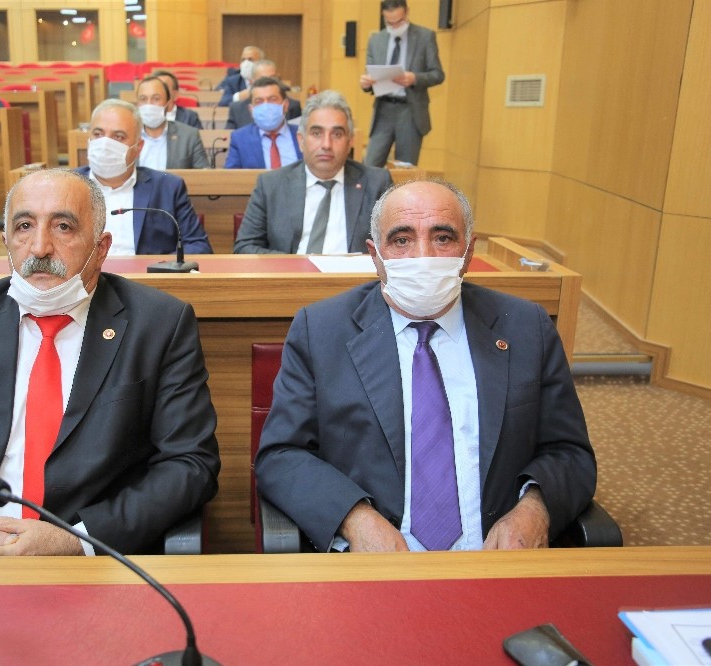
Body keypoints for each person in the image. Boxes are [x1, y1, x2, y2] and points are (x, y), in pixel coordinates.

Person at [0, 168, 221, 556]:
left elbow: (191, 463)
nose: (40, 247)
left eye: (63, 227)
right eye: (24, 226)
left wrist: (77, 541)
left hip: (88, 566)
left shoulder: (159, 325)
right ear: (6, 241)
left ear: (101, 248)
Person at [255, 179, 597, 553]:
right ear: (375, 254)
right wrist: (354, 518)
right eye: (402, 240)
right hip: (374, 564)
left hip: (495, 559)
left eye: (443, 238)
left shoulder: (526, 327)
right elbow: (281, 455)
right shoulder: (321, 331)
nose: (423, 256)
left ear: (468, 251)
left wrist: (535, 510)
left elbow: (570, 452)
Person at [233, 90, 390, 254]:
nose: (326, 144)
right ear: (301, 140)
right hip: (291, 270)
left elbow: (396, 246)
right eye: (316, 133)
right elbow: (244, 247)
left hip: (355, 271)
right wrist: (296, 265)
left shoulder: (377, 183)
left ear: (350, 141)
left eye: (337, 134)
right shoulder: (270, 185)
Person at [76, 99, 212, 256]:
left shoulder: (168, 187)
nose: (105, 143)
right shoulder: (64, 186)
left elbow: (199, 246)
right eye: (98, 134)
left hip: (146, 272)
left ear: (138, 148)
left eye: (118, 136)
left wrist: (158, 267)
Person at [360, 0, 445, 166]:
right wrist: (366, 83)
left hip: (410, 110)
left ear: (407, 12)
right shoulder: (376, 41)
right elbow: (370, 74)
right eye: (389, 22)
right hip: (383, 109)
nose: (394, 26)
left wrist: (415, 78)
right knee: (370, 165)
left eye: (399, 21)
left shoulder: (425, 37)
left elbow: (438, 74)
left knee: (405, 168)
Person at [225, 76, 301, 170]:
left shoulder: (302, 134)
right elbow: (230, 176)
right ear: (251, 110)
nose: (266, 106)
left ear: (285, 105)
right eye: (259, 101)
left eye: (272, 99)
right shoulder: (240, 139)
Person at [134, 76, 209, 170]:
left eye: (156, 99)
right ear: (137, 104)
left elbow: (204, 175)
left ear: (167, 103)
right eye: (143, 99)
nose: (149, 104)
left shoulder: (189, 136)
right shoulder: (127, 136)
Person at [225, 60, 302, 130]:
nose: (268, 83)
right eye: (262, 80)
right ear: (251, 81)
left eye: (272, 79)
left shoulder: (292, 106)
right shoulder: (237, 109)